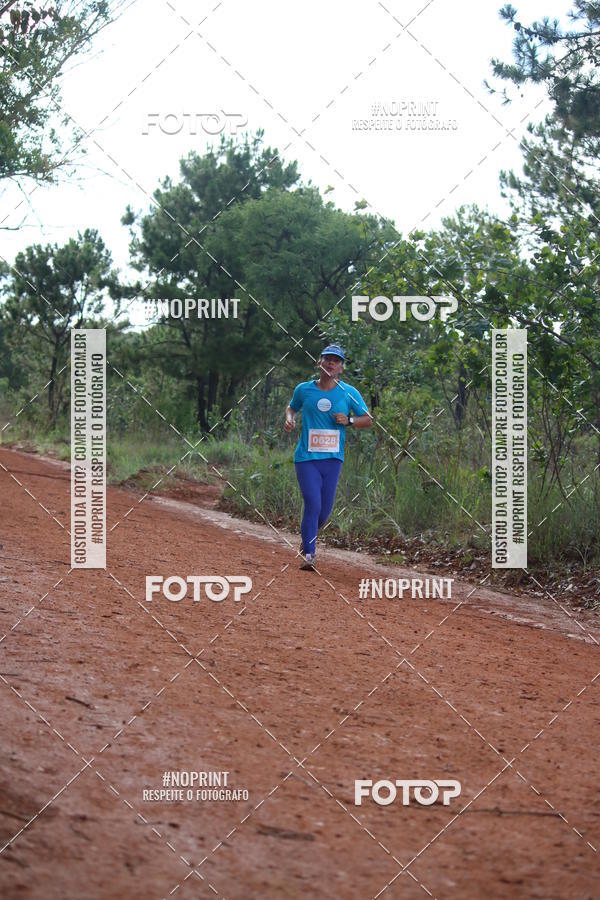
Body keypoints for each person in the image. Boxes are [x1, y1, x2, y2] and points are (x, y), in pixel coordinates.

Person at [284, 344, 372, 570]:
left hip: (333, 459)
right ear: (319, 362)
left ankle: (307, 538)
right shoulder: (304, 389)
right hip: (306, 458)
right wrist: (290, 418)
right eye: (327, 359)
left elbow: (368, 419)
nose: (331, 363)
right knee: (312, 504)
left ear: (341, 368)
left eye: (336, 360)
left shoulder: (348, 392)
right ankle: (309, 555)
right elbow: (292, 408)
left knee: (324, 512)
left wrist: (349, 420)